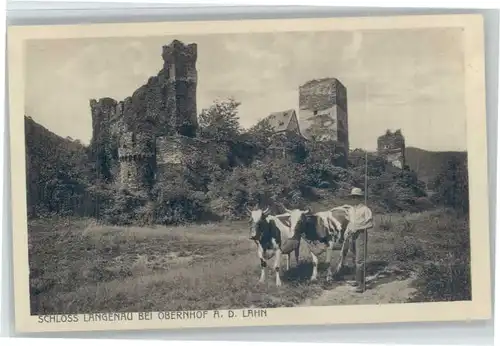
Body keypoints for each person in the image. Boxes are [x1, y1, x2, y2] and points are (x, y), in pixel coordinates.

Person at [344, 187, 373, 293]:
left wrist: (357, 228)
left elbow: (370, 224)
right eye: (353, 197)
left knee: (360, 260)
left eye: (356, 197)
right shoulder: (351, 209)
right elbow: (350, 222)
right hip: (351, 235)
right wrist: (346, 231)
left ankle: (361, 285)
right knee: (353, 257)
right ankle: (357, 280)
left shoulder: (365, 209)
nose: (354, 199)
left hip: (361, 235)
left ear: (360, 198)